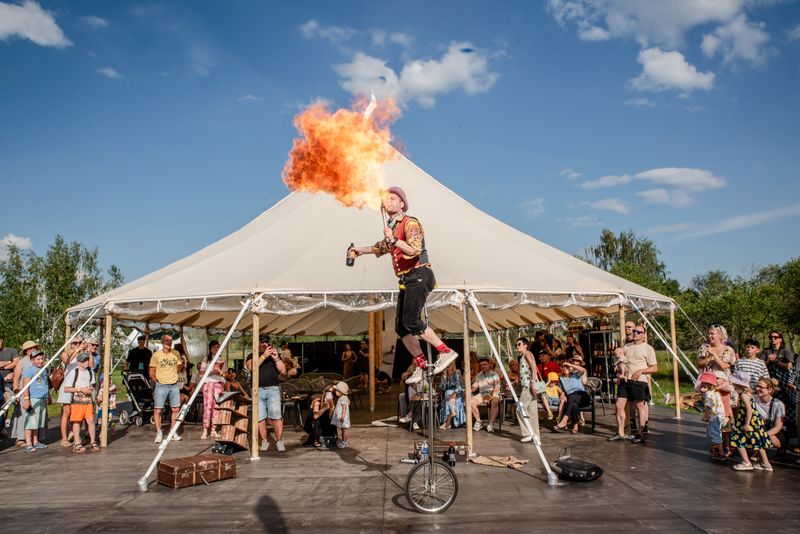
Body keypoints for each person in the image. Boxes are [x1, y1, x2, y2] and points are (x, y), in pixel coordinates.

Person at [349, 186, 458, 385]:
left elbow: (414, 249)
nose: (388, 201)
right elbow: (379, 248)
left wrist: (395, 240)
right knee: (401, 327)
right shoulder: (391, 228)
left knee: (412, 321)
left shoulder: (410, 223)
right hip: (406, 280)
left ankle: (445, 351)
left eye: (393, 198)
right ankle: (422, 365)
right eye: (386, 199)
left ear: (402, 204)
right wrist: (359, 251)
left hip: (419, 274)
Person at [609, 325, 657, 444]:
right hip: (625, 380)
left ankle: (640, 433)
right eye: (634, 331)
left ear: (643, 335)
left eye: (638, 331)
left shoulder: (648, 348)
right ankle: (620, 432)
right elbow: (621, 361)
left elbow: (654, 368)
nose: (635, 333)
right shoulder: (627, 346)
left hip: (639, 381)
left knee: (639, 406)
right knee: (619, 405)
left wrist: (641, 371)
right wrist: (619, 373)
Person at [697, 324, 736, 451]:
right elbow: (699, 363)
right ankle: (715, 443)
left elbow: (725, 366)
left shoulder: (728, 350)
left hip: (722, 386)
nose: (709, 336)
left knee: (724, 415)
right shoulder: (704, 347)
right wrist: (709, 358)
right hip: (709, 387)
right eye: (708, 333)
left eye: (712, 333)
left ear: (720, 335)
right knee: (712, 415)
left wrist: (714, 354)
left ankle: (727, 445)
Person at [245, 334, 287, 452]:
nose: (264, 344)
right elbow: (251, 367)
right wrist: (263, 356)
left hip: (273, 389)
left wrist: (276, 358)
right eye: (262, 342)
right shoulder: (251, 355)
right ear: (257, 343)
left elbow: (283, 371)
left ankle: (279, 441)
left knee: (276, 417)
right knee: (260, 418)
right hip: (257, 390)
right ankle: (264, 441)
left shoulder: (274, 355)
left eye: (266, 342)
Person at [729, 371, 772, 471]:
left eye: (734, 383)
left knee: (737, 438)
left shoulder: (743, 395)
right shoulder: (748, 393)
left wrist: (747, 424)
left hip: (749, 421)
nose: (733, 385)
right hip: (756, 421)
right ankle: (766, 463)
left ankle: (746, 462)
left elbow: (749, 410)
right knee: (758, 441)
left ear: (738, 384)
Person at [149, 334, 184, 444]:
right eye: (167, 340)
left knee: (175, 409)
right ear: (162, 342)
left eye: (170, 340)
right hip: (161, 385)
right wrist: (158, 381)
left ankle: (173, 432)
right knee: (158, 410)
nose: (169, 342)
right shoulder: (156, 355)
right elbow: (151, 371)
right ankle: (159, 432)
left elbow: (180, 365)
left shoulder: (176, 353)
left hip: (174, 384)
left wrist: (173, 371)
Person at [761, 330, 795, 437]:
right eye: (771, 337)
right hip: (770, 384)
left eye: (775, 337)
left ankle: (790, 437)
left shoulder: (786, 351)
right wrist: (768, 361)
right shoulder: (766, 351)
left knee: (789, 409)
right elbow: (761, 364)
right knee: (770, 408)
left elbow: (789, 366)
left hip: (784, 385)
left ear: (780, 339)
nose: (773, 339)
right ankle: (769, 435)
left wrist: (776, 361)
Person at [64, 352, 98, 453]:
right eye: (84, 361)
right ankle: (77, 443)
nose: (87, 362)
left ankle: (93, 441)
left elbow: (92, 384)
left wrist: (90, 388)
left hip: (88, 400)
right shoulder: (74, 373)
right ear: (79, 362)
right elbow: (66, 389)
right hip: (77, 401)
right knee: (76, 421)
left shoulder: (90, 372)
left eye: (87, 360)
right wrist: (80, 389)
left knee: (91, 420)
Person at [11, 340, 40, 447]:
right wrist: (16, 392)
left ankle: (34, 437)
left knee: (34, 414)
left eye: (34, 348)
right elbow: (16, 378)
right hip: (23, 392)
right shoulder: (21, 362)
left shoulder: (38, 360)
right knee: (22, 414)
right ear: (25, 351)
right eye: (29, 348)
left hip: (36, 392)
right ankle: (20, 438)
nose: (32, 350)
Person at [56, 337, 84, 447]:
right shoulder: (65, 353)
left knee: (76, 412)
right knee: (66, 412)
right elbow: (66, 361)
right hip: (67, 386)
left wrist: (86, 351)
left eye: (79, 342)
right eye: (75, 343)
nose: (78, 344)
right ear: (70, 344)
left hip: (78, 387)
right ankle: (64, 438)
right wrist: (77, 350)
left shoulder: (81, 355)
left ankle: (74, 434)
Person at [20, 350, 49, 453]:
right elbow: (25, 386)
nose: (40, 361)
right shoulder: (29, 370)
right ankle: (28, 443)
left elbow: (45, 384)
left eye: (42, 359)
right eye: (38, 359)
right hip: (33, 399)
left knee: (37, 423)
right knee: (30, 422)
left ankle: (36, 441)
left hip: (42, 399)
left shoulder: (44, 370)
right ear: (32, 360)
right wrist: (26, 400)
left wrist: (48, 396)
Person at [515, 337, 541, 443]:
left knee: (520, 409)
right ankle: (535, 435)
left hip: (528, 387)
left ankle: (528, 433)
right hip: (528, 386)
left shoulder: (527, 354)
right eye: (516, 345)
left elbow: (534, 368)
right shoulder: (525, 355)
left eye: (519, 344)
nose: (517, 346)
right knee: (532, 412)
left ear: (525, 345)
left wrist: (532, 383)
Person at [696, 372, 728, 460]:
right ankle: (719, 450)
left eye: (704, 384)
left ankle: (721, 453)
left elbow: (708, 407)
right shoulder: (715, 392)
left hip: (714, 417)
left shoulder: (708, 394)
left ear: (710, 385)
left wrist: (706, 416)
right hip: (720, 415)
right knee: (717, 433)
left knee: (715, 434)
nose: (702, 385)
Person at [554, 358, 589, 433]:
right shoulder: (561, 379)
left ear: (571, 368)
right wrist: (562, 396)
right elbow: (563, 391)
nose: (565, 368)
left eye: (567, 367)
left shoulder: (576, 374)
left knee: (572, 397)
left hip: (582, 396)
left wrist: (570, 364)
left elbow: (583, 370)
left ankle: (564, 420)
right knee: (573, 404)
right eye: (564, 367)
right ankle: (575, 424)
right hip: (572, 398)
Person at [199, 340, 226, 440]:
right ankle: (205, 429)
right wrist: (211, 372)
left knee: (216, 406)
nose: (216, 348)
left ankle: (214, 429)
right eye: (214, 347)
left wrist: (220, 373)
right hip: (208, 384)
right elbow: (201, 374)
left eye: (218, 347)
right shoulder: (206, 359)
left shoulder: (222, 359)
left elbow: (225, 374)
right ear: (210, 348)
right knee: (207, 406)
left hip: (218, 384)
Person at [754, 377, 786, 454]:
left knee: (772, 438)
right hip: (758, 428)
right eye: (757, 386)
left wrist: (764, 435)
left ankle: (781, 449)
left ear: (770, 390)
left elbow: (778, 427)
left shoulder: (778, 404)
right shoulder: (752, 400)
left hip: (772, 430)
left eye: (761, 387)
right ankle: (757, 452)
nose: (757, 389)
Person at [470, 358, 501, 433]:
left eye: (485, 364)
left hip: (492, 393)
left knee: (495, 401)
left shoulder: (494, 374)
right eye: (481, 365)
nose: (483, 366)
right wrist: (469, 389)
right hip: (482, 394)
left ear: (489, 365)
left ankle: (491, 424)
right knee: (470, 401)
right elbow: (475, 386)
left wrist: (490, 397)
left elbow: (497, 387)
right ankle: (479, 421)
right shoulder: (479, 375)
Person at [0, 336, 19, 433]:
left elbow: (17, 363)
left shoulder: (11, 351)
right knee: (2, 405)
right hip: (1, 383)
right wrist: (8, 362)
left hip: (11, 383)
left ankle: (9, 426)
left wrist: (2, 365)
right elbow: (12, 362)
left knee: (9, 405)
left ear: (2, 340)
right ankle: (2, 426)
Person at [438, 362, 465, 429]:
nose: (448, 367)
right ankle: (448, 421)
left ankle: (447, 423)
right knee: (447, 398)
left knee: (448, 400)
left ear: (453, 365)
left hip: (457, 392)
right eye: (447, 366)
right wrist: (444, 376)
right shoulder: (444, 375)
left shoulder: (457, 372)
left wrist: (455, 394)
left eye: (449, 365)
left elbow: (460, 385)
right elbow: (443, 387)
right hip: (448, 394)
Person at [332, 381, 351, 448]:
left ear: (341, 392)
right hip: (343, 417)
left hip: (343, 417)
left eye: (337, 391)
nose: (335, 392)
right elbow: (349, 403)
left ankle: (344, 442)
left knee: (344, 430)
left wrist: (342, 416)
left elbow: (344, 408)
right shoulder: (344, 397)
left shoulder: (343, 398)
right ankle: (344, 441)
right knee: (343, 429)